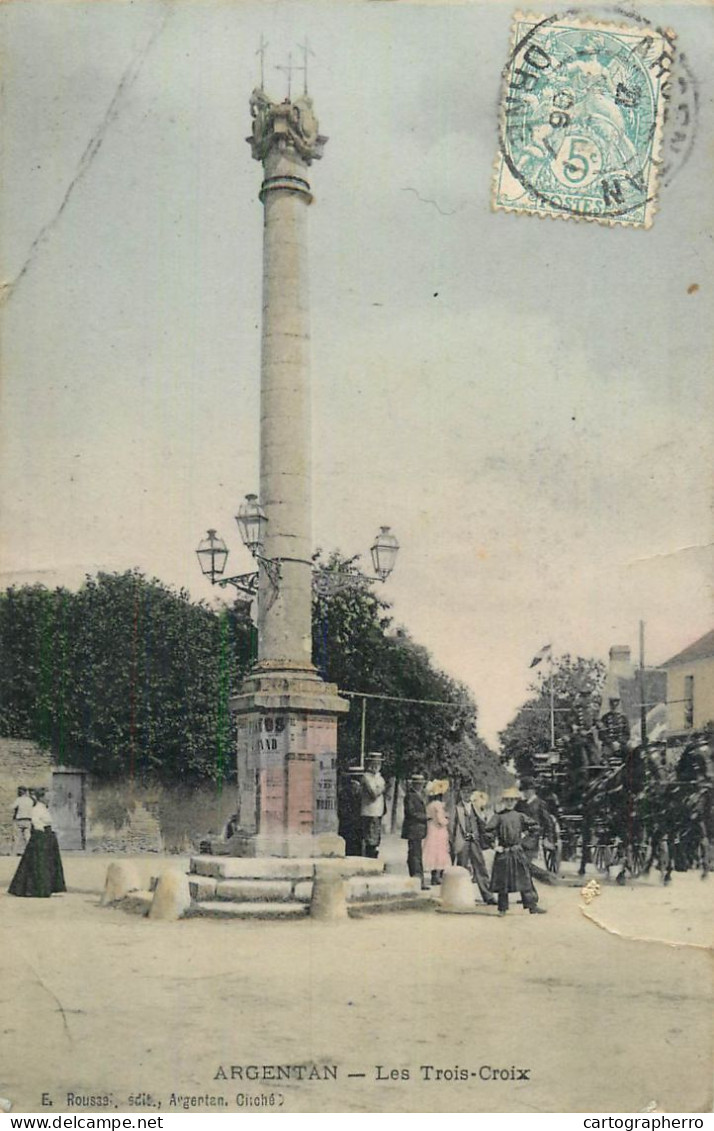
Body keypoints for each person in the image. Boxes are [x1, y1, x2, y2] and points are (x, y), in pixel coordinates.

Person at [487, 786, 546, 915]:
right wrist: (495, 846)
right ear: (504, 801)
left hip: (517, 852)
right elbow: (488, 832)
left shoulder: (520, 816)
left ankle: (531, 906)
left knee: (524, 879)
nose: (510, 802)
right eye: (507, 800)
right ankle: (502, 909)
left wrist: (524, 841)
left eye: (512, 800)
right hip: (504, 852)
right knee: (503, 882)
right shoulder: (498, 817)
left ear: (516, 801)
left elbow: (535, 827)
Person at [8, 789, 66, 898]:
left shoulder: (43, 808)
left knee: (47, 863)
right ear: (41, 797)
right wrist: (42, 832)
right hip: (41, 836)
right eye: (47, 797)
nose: (49, 799)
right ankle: (36, 889)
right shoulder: (37, 808)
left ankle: (46, 887)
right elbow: (35, 821)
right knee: (38, 863)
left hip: (47, 836)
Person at [451, 789, 496, 905]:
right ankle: (460, 896)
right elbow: (452, 827)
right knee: (462, 869)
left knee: (481, 867)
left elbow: (482, 824)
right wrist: (453, 843)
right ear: (461, 793)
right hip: (463, 841)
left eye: (469, 793)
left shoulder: (475, 807)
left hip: (475, 841)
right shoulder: (457, 808)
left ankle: (488, 896)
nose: (466, 795)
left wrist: (487, 838)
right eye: (464, 792)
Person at [401, 773, 428, 889]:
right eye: (418, 784)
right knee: (414, 855)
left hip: (418, 830)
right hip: (413, 829)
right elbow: (411, 813)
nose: (420, 786)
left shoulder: (419, 795)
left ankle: (419, 880)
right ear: (414, 784)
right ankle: (416, 879)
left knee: (417, 854)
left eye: (421, 784)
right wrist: (426, 817)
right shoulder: (410, 796)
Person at [422, 779, 451, 887]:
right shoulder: (438, 805)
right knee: (439, 851)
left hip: (431, 828)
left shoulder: (429, 805)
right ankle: (437, 876)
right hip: (438, 830)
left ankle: (435, 875)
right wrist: (447, 820)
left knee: (433, 851)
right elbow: (440, 819)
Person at [360, 753, 386, 859]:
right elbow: (373, 793)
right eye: (374, 763)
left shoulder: (380, 777)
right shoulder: (366, 777)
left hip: (378, 811)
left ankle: (374, 854)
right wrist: (381, 788)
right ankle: (369, 856)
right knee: (370, 835)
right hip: (369, 811)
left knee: (376, 835)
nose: (376, 766)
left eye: (378, 763)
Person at [338, 766, 364, 856]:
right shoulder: (363, 791)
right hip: (356, 824)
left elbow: (341, 811)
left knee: (349, 849)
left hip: (348, 825)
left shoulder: (343, 791)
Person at [598, 697, 631, 761]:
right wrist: (611, 743)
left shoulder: (623, 718)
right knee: (604, 758)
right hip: (608, 745)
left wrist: (619, 742)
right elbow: (602, 734)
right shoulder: (605, 718)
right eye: (612, 706)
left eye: (616, 706)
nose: (614, 708)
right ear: (610, 706)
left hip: (621, 744)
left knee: (630, 755)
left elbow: (627, 734)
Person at [11, 787, 34, 854]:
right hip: (28, 820)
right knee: (27, 837)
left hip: (19, 820)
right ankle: (30, 853)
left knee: (16, 837)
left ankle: (13, 853)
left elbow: (12, 807)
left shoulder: (19, 799)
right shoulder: (30, 800)